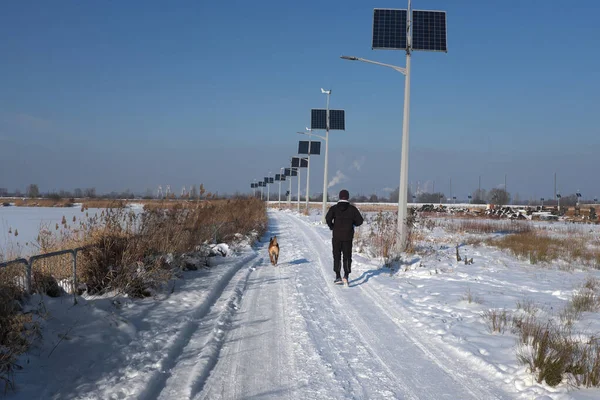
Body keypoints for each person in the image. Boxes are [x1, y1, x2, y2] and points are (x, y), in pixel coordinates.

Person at [325, 189, 364, 285]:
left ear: (339, 197)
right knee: (347, 257)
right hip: (348, 236)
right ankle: (346, 276)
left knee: (336, 256)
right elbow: (360, 221)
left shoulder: (334, 208)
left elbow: (328, 218)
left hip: (337, 236)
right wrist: (352, 224)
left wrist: (332, 226)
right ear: (348, 197)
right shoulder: (352, 209)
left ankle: (338, 276)